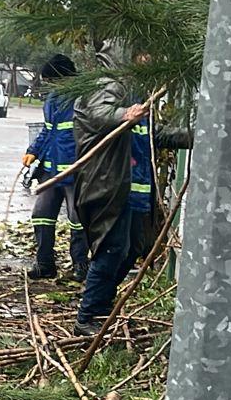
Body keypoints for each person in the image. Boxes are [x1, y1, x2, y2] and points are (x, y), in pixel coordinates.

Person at [69, 74, 189, 335]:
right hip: (109, 189)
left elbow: (155, 135)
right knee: (112, 250)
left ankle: (101, 309)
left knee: (131, 248)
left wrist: (196, 135)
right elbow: (99, 115)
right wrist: (124, 114)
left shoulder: (135, 96)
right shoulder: (102, 88)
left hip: (135, 191)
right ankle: (87, 316)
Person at [24, 54, 87, 281]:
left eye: (52, 80)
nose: (50, 85)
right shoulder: (52, 100)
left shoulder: (83, 99)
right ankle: (45, 264)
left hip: (74, 172)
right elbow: (48, 132)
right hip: (51, 172)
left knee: (77, 219)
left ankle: (80, 265)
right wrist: (34, 151)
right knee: (41, 215)